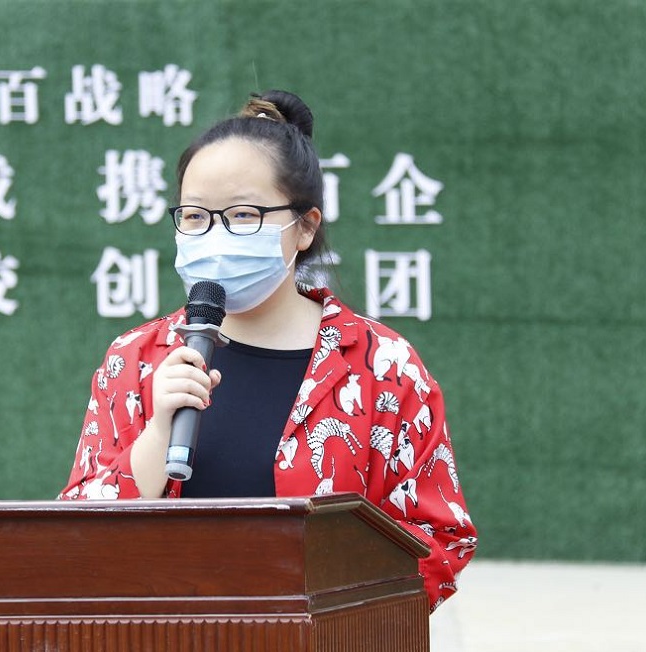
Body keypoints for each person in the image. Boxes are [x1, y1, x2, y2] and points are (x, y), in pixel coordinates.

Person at [59, 89, 476, 611]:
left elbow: (439, 537)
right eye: (195, 216)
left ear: (305, 226)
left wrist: (330, 614)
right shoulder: (136, 359)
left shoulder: (383, 366)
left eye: (242, 215)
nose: (215, 235)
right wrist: (158, 433)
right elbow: (74, 534)